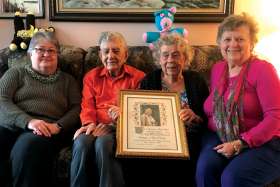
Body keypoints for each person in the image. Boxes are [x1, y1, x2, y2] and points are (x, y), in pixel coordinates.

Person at [195, 13, 280, 187]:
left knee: (233, 178)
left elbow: (275, 117)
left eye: (240, 39)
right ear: (220, 43)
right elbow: (214, 110)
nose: (233, 44)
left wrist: (240, 143)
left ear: (252, 43)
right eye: (227, 39)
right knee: (205, 169)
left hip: (263, 143)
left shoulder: (263, 70)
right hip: (219, 136)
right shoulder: (218, 69)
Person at [0, 32, 81, 187]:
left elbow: (76, 108)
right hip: (13, 124)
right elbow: (1, 99)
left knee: (27, 146)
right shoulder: (16, 73)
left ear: (57, 55)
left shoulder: (68, 81)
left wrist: (58, 126)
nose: (46, 54)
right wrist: (28, 121)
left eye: (51, 50)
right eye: (40, 49)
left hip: (46, 130)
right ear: (30, 54)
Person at [70, 31, 145, 187]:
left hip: (122, 129)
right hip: (95, 126)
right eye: (106, 51)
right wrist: (88, 124)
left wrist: (119, 119)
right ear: (100, 55)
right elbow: (87, 104)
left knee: (103, 144)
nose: (110, 56)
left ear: (126, 54)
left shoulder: (138, 78)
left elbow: (141, 110)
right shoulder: (91, 77)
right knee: (81, 143)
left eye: (116, 51)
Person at [136, 33, 209, 186]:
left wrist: (195, 117)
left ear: (184, 58)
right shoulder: (149, 81)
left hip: (190, 138)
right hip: (158, 140)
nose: (170, 60)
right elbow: (141, 118)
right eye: (165, 55)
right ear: (159, 59)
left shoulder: (196, 81)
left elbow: (208, 117)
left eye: (176, 55)